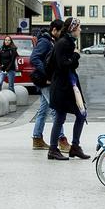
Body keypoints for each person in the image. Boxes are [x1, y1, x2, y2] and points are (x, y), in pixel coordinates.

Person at [48, 18, 91, 160]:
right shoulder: (64, 43)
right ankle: (55, 149)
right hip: (63, 87)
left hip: (67, 86)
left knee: (78, 115)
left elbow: (67, 64)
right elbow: (63, 64)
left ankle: (74, 147)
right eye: (79, 28)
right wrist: (76, 56)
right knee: (65, 117)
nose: (80, 30)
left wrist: (73, 58)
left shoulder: (67, 42)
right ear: (72, 29)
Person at [29, 19, 68, 152]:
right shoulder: (45, 42)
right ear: (54, 30)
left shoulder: (52, 40)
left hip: (47, 80)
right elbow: (34, 58)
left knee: (43, 110)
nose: (62, 34)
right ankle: (61, 140)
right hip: (45, 81)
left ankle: (37, 138)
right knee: (56, 109)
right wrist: (46, 73)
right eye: (60, 31)